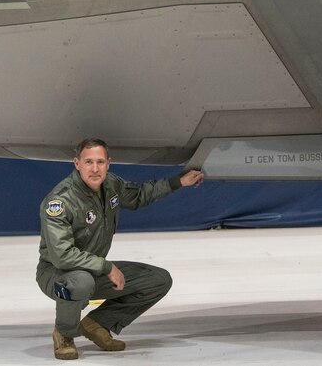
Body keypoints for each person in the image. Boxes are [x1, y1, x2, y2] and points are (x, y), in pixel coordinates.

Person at [36, 138, 204, 360]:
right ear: (77, 163)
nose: (95, 169)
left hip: (93, 270)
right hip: (57, 274)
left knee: (158, 280)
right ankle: (64, 333)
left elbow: (138, 195)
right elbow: (62, 256)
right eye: (88, 162)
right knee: (80, 282)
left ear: (108, 163)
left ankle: (97, 324)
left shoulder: (110, 185)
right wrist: (107, 267)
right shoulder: (60, 201)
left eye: (100, 162)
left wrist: (178, 182)